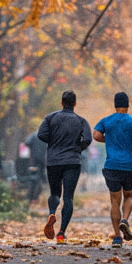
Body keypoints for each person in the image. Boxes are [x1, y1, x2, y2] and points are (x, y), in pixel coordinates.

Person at [38, 90, 92, 244]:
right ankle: (61, 233)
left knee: (55, 193)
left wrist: (54, 142)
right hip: (72, 162)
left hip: (53, 161)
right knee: (68, 197)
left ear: (61, 103)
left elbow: (41, 135)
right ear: (75, 103)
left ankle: (51, 213)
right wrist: (77, 148)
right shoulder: (81, 121)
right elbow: (88, 139)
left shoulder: (50, 118)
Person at [93, 92, 132, 248]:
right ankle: (125, 220)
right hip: (129, 166)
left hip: (112, 165)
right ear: (127, 105)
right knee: (129, 196)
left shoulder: (106, 121)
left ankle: (117, 237)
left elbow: (96, 135)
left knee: (114, 201)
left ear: (115, 105)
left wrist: (108, 139)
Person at [24, 131, 47, 205]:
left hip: (33, 159)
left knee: (32, 177)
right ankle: (37, 195)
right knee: (40, 175)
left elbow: (26, 143)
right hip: (43, 159)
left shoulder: (33, 135)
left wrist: (31, 147)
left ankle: (30, 196)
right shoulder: (46, 136)